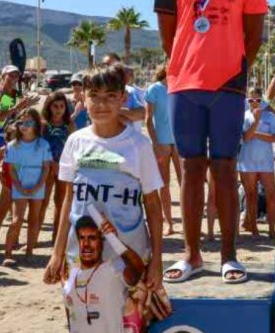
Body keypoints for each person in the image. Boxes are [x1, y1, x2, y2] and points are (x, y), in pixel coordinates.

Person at [154, 0, 267, 283]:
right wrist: (189, 64)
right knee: (189, 169)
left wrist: (234, 68)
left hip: (228, 87)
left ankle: (229, 256)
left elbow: (254, 36)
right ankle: (191, 254)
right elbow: (169, 37)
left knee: (224, 168)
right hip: (184, 84)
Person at [44, 64, 164, 295]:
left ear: (122, 98)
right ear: (83, 99)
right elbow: (68, 201)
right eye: (94, 96)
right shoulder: (75, 141)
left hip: (130, 253)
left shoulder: (139, 145)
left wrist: (157, 260)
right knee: (84, 322)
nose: (101, 104)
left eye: (110, 96)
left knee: (129, 325)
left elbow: (153, 205)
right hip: (81, 253)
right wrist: (57, 253)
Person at [62, 215, 146, 333]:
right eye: (82, 238)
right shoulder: (71, 274)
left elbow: (137, 270)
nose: (86, 244)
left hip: (124, 330)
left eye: (92, 238)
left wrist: (115, 240)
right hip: (88, 331)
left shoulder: (114, 268)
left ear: (102, 241)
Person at [3, 108, 52, 265]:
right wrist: (19, 186)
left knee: (34, 219)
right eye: (20, 122)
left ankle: (29, 251)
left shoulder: (43, 144)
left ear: (36, 125)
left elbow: (46, 168)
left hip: (38, 185)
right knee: (17, 219)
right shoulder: (13, 145)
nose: (24, 126)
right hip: (20, 185)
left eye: (29, 122)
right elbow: (10, 169)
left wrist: (38, 185)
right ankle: (8, 253)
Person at [238, 88, 275, 238]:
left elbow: (274, 138)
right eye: (250, 100)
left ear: (262, 100)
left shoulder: (270, 116)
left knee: (271, 195)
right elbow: (246, 138)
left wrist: (254, 133)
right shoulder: (243, 116)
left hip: (266, 161)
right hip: (247, 161)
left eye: (257, 100)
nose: (254, 103)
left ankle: (272, 229)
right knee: (251, 195)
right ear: (247, 101)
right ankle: (253, 228)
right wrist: (255, 123)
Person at [145, 65, 181, 236]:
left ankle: (188, 221)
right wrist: (155, 142)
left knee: (185, 183)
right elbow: (148, 120)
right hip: (163, 141)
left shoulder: (180, 86)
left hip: (180, 141)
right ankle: (169, 223)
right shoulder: (154, 89)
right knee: (164, 184)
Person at [40, 91, 75, 243]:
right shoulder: (43, 124)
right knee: (42, 201)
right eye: (55, 106)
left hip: (63, 168)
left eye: (62, 106)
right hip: (46, 167)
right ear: (49, 106)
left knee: (60, 203)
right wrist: (50, 163)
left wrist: (62, 165)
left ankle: (56, 238)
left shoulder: (69, 125)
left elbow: (73, 147)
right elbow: (39, 146)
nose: (59, 109)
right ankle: (33, 238)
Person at [0, 65, 38, 141]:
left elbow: (18, 115)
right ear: (3, 76)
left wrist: (25, 106)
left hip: (10, 132)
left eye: (16, 76)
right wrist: (16, 108)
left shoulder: (17, 94)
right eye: (11, 75)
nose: (14, 78)